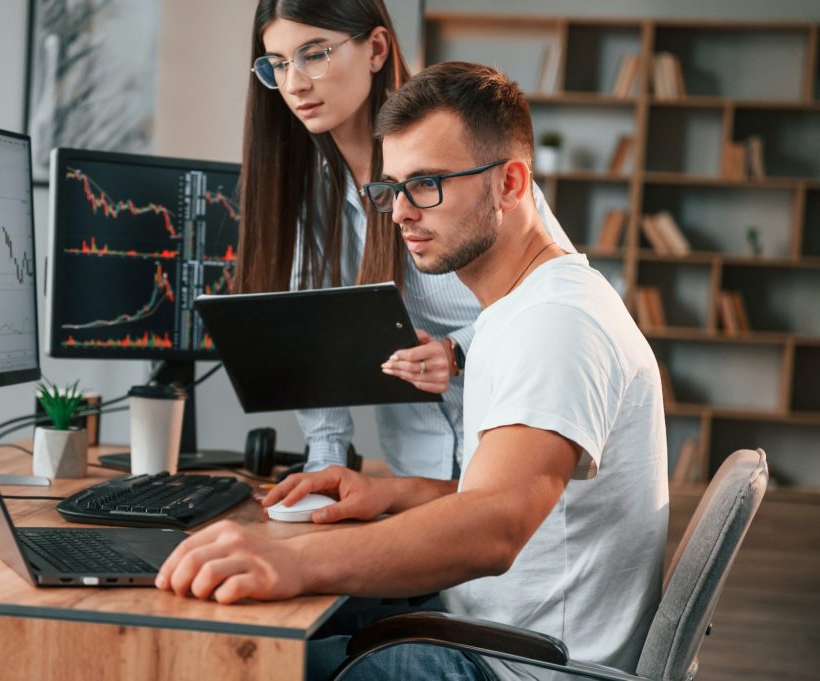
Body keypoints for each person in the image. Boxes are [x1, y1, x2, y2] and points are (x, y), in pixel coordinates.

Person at [158, 62, 669, 681]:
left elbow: (497, 526)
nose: (399, 213)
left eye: (426, 183)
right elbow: (516, 496)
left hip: (516, 668)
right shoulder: (522, 308)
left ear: (510, 184)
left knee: (221, 665)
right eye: (390, 188)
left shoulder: (558, 323)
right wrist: (392, 493)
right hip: (492, 634)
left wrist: (298, 560)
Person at [237, 0, 574, 479]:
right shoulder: (312, 192)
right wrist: (326, 462)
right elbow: (315, 330)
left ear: (376, 49)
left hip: (512, 452)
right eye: (278, 64)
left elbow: (553, 297)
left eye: (313, 54)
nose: (294, 84)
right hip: (416, 469)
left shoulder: (461, 161)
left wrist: (457, 350)